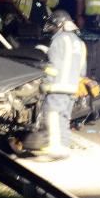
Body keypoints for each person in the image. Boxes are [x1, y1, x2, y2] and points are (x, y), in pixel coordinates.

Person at [36, 10, 87, 159]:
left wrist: (45, 83)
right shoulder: (80, 43)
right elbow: (82, 69)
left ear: (59, 24)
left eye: (53, 25)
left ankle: (54, 148)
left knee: (52, 114)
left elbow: (54, 66)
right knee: (64, 117)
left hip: (57, 86)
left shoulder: (59, 40)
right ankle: (64, 147)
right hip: (72, 87)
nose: (52, 29)